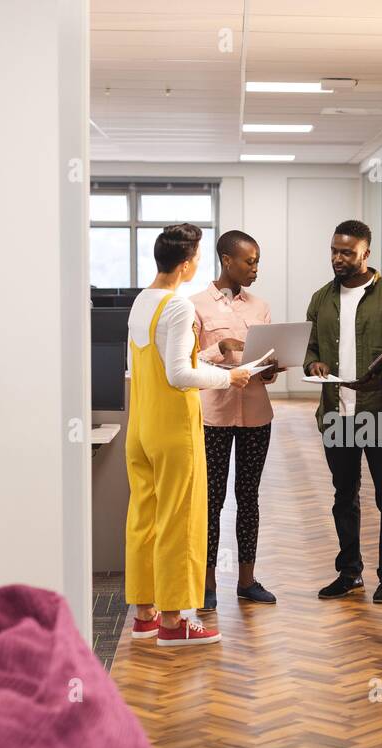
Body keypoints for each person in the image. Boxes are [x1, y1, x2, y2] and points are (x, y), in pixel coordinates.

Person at [125, 223, 252, 646]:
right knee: (179, 519)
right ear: (184, 264)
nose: (200, 263)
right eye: (197, 256)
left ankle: (145, 613)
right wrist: (228, 377)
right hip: (173, 428)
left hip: (140, 427)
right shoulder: (177, 307)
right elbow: (180, 374)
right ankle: (175, 623)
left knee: (145, 515)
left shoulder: (142, 301)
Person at [304, 219, 382, 604]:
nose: (338, 258)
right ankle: (349, 573)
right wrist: (313, 364)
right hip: (336, 413)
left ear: (366, 253)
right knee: (344, 495)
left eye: (347, 252)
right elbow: (310, 345)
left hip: (379, 411)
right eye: (334, 251)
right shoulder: (322, 298)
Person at [191, 230, 278, 611]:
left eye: (257, 260)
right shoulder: (194, 305)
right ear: (227, 260)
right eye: (249, 261)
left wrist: (273, 367)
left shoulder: (260, 307)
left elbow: (266, 362)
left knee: (249, 497)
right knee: (211, 501)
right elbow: (188, 362)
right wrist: (219, 348)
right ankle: (207, 583)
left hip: (257, 414)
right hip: (213, 415)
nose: (255, 268)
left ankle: (247, 580)